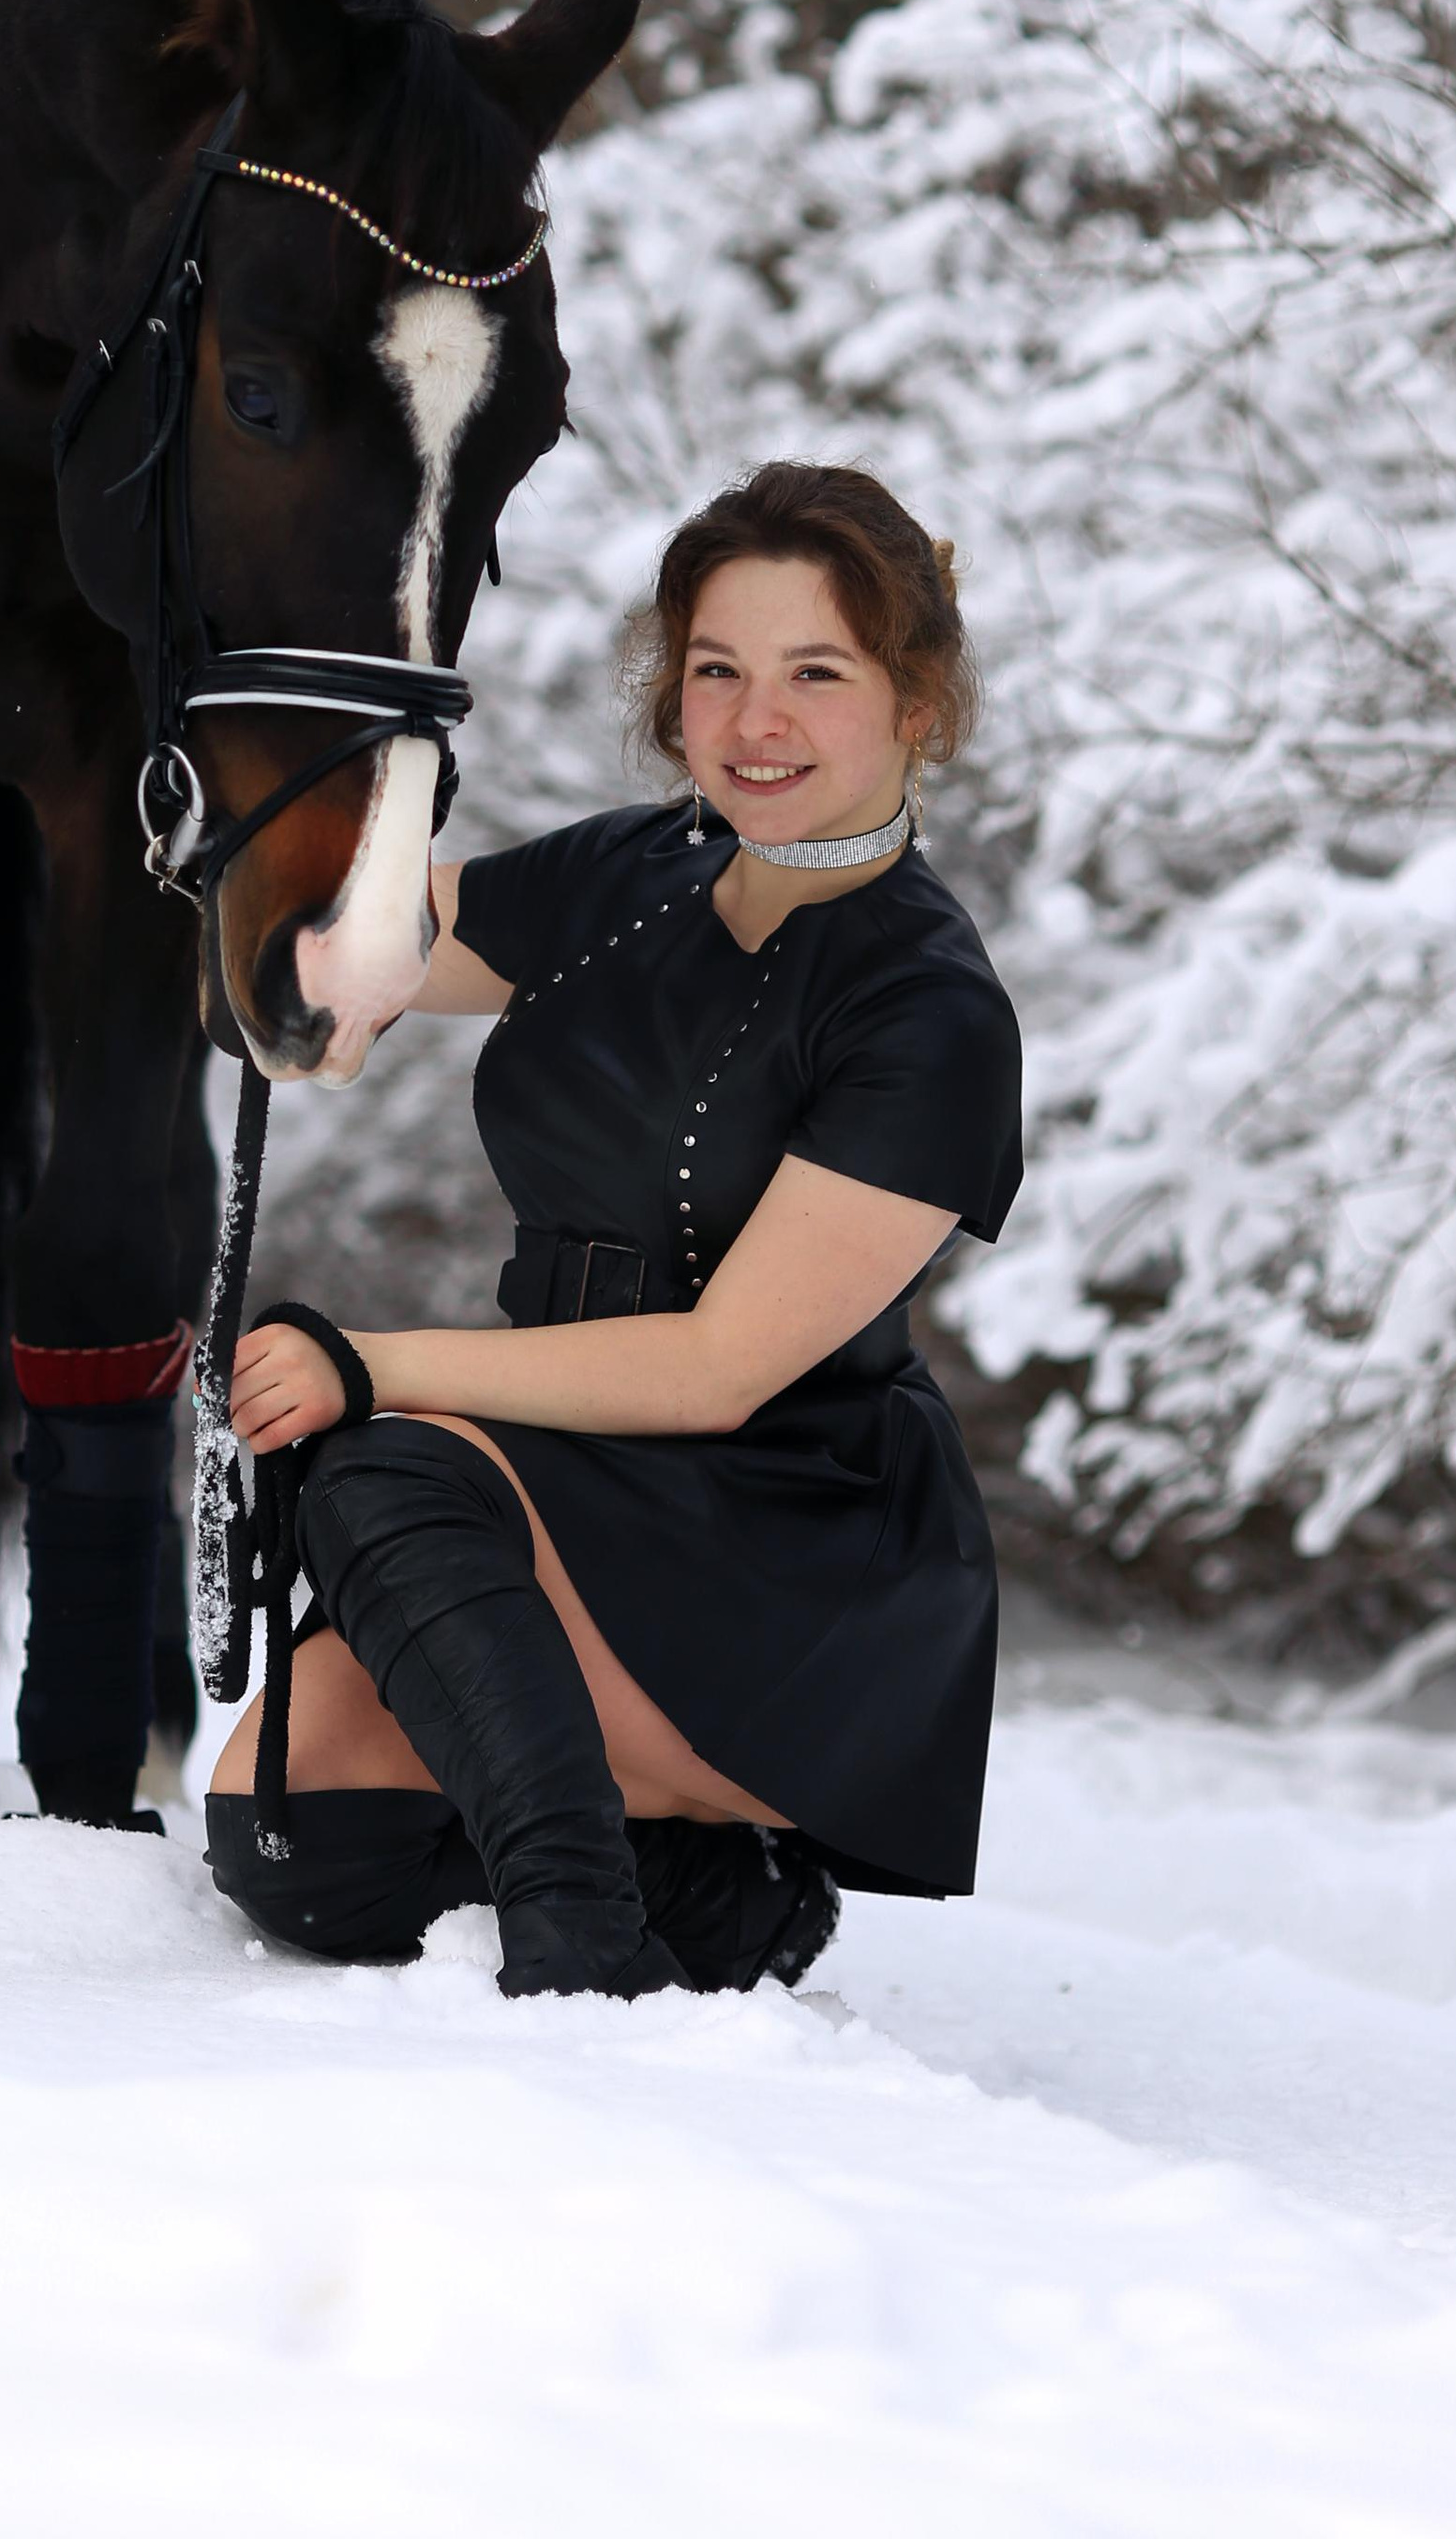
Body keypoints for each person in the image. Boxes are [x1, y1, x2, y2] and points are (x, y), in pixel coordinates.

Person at [204, 461, 1023, 1999]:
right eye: (716, 670)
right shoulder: (640, 871)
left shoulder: (935, 1013)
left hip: (786, 1525)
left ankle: (575, 1944)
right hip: (576, 1473)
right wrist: (240, 845)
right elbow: (369, 943)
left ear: (919, 701)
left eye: (814, 675)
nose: (752, 722)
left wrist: (370, 1365)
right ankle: (722, 1901)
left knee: (372, 1456)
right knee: (284, 1833)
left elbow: (720, 1372)